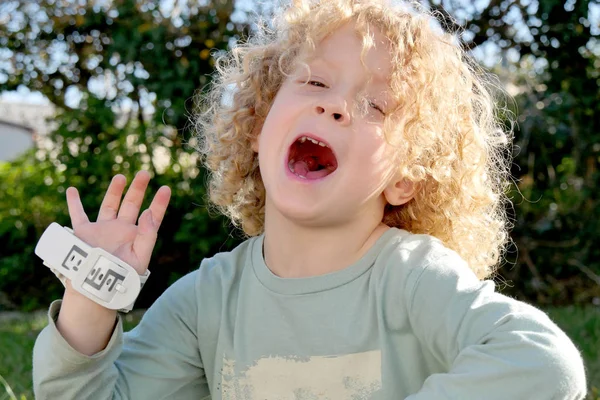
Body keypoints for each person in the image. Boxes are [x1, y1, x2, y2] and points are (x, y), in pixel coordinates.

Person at [33, 0, 587, 399]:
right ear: (258, 124)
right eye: (316, 84)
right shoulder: (208, 300)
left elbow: (543, 364)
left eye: (376, 106)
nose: (336, 107)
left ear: (406, 178)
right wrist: (92, 297)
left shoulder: (412, 276)